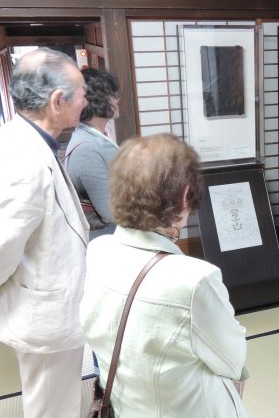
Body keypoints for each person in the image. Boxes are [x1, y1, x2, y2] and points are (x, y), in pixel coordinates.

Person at [0, 48, 89, 417]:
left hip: (44, 296)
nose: (86, 100)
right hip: (45, 311)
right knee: (52, 407)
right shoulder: (25, 158)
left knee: (58, 399)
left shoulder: (16, 135)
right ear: (57, 101)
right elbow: (3, 244)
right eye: (81, 93)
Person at [80, 134, 249, 417]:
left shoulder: (98, 251)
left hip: (125, 408)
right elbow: (232, 361)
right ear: (185, 194)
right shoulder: (195, 279)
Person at [64, 68, 120, 240]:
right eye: (113, 94)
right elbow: (111, 212)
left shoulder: (101, 133)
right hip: (102, 240)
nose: (118, 100)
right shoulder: (86, 149)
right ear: (97, 99)